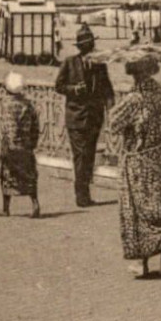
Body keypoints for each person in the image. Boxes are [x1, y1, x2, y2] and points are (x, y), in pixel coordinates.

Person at [111, 56, 161, 278]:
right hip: (159, 155)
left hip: (138, 158)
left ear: (134, 73)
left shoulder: (134, 99)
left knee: (137, 206)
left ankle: (141, 262)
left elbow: (113, 123)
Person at [54, 24, 114, 207]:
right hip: (76, 117)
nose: (90, 49)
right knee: (80, 155)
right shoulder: (69, 63)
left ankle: (85, 193)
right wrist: (74, 90)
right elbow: (59, 86)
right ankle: (81, 194)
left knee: (88, 155)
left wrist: (112, 109)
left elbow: (107, 89)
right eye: (86, 46)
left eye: (91, 46)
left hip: (94, 118)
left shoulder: (100, 65)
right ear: (80, 48)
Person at [0, 72, 41, 218]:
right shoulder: (28, 105)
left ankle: (6, 208)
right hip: (26, 146)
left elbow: (9, 127)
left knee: (7, 176)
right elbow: (36, 126)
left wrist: (8, 144)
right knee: (30, 175)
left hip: (12, 145)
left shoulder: (6, 105)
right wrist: (32, 143)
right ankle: (35, 204)